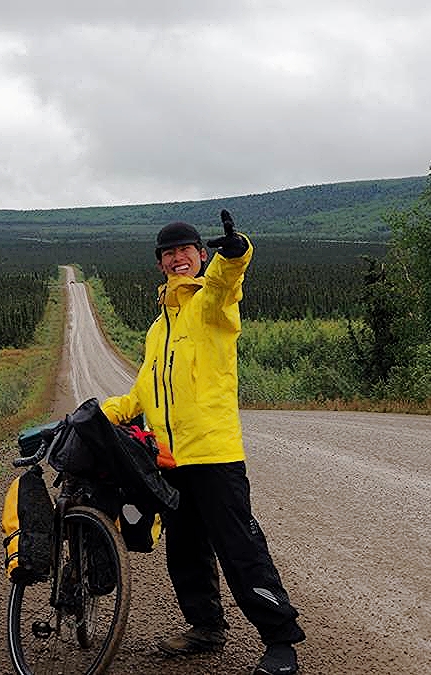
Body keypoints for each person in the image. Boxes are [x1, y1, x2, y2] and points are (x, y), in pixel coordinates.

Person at [100, 211, 305, 675]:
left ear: (201, 255)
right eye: (168, 253)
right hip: (170, 459)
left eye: (185, 251)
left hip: (214, 454)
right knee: (186, 551)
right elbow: (143, 392)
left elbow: (227, 281)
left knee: (240, 548)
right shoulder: (157, 330)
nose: (177, 259)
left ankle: (280, 641)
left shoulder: (210, 305)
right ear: (159, 264)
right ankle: (206, 627)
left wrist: (237, 253)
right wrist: (101, 411)